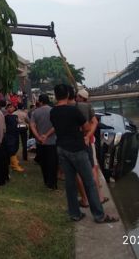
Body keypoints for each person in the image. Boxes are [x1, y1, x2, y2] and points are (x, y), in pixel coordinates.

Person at [49, 84, 118, 223]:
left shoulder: (53, 112)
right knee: (90, 183)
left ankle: (75, 214)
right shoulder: (73, 110)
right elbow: (86, 127)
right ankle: (99, 215)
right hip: (77, 149)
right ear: (68, 95)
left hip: (62, 149)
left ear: (56, 96)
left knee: (70, 183)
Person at [75, 88, 108, 205]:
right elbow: (94, 123)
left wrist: (87, 135)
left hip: (84, 141)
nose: (75, 97)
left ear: (79, 97)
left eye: (77, 96)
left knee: (89, 169)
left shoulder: (81, 107)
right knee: (93, 167)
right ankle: (99, 196)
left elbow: (91, 124)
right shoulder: (88, 107)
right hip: (88, 140)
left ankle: (93, 198)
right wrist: (89, 135)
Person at [30, 94, 58, 190]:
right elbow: (56, 126)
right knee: (53, 163)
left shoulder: (35, 112)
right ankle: (53, 183)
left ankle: (46, 181)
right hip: (52, 141)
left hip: (40, 142)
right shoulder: (53, 111)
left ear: (40, 102)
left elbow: (32, 125)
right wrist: (47, 135)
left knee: (44, 163)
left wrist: (38, 137)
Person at [4, 103, 25, 172]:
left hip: (15, 134)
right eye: (9, 107)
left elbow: (19, 123)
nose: (10, 108)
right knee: (11, 149)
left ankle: (13, 163)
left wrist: (22, 124)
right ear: (6, 109)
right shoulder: (5, 117)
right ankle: (15, 165)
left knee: (15, 148)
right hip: (9, 135)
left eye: (12, 107)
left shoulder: (15, 116)